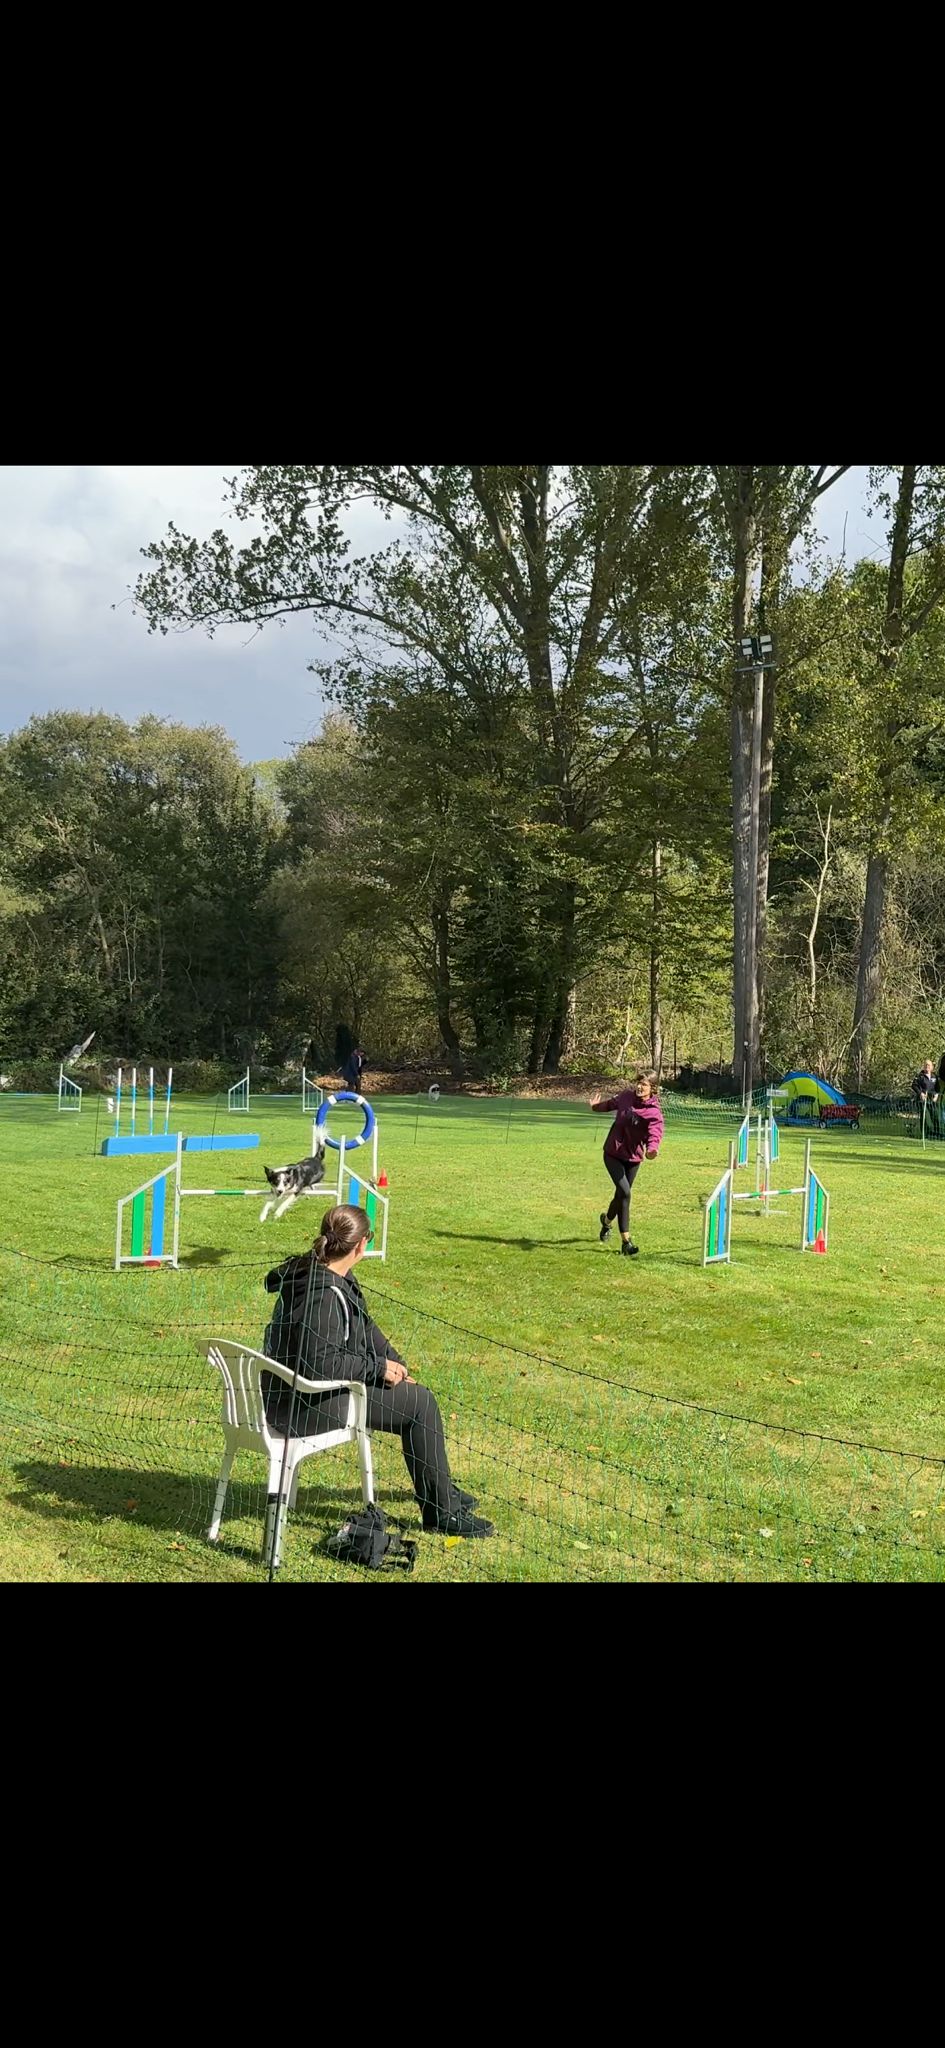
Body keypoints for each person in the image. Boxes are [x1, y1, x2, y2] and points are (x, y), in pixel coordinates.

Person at [262, 1203, 493, 1539]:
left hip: (298, 1393)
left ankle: (442, 1491)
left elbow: (366, 1328)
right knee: (421, 1405)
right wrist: (378, 1369)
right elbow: (321, 1365)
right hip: (302, 1406)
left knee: (415, 1397)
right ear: (361, 1245)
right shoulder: (323, 1295)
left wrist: (396, 1363)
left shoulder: (330, 1274)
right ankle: (443, 1513)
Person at [589, 1069, 664, 1256]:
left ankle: (607, 1221)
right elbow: (610, 1104)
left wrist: (652, 1149)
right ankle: (626, 1242)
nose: (639, 1087)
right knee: (625, 1192)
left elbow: (655, 1133)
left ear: (653, 1088)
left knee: (621, 1194)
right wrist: (596, 1107)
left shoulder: (654, 1112)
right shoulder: (625, 1097)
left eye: (644, 1084)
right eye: (638, 1083)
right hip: (613, 1153)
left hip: (633, 1158)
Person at [913, 1059, 939, 1134]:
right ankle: (925, 1133)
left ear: (932, 1067)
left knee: (935, 1116)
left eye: (929, 1065)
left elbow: (938, 1088)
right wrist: (920, 1093)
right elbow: (914, 1085)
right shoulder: (920, 1076)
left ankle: (936, 1132)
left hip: (932, 1100)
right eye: (926, 1065)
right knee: (924, 1116)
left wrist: (936, 1095)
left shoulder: (935, 1076)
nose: (927, 1066)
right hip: (922, 1100)